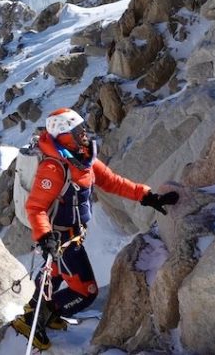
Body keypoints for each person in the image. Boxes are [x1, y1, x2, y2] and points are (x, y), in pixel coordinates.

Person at [11, 107, 179, 349]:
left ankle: (38, 308)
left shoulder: (83, 159)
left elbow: (112, 181)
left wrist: (147, 196)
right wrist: (46, 237)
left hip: (70, 237)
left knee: (56, 274)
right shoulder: (55, 168)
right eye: (77, 131)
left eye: (82, 129)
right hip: (60, 240)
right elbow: (35, 207)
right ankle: (33, 319)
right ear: (63, 135)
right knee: (85, 291)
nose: (84, 134)